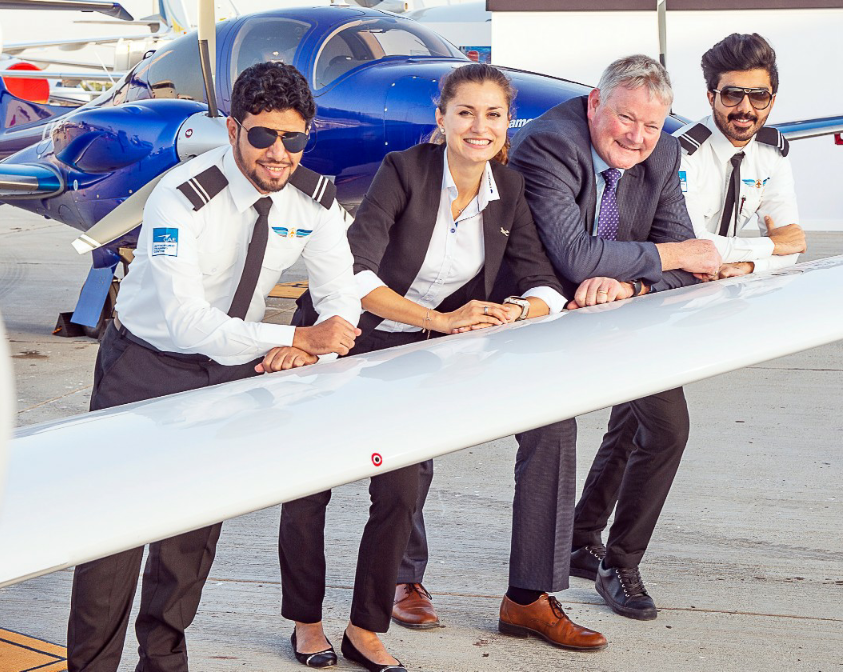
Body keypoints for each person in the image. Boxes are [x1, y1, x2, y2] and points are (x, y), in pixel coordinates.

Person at [280, 64, 608, 672]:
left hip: (417, 355)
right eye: (466, 112)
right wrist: (443, 320)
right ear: (442, 119)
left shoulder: (509, 189)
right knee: (309, 486)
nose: (479, 126)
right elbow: (354, 275)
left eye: (493, 115)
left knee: (400, 489)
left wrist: (514, 310)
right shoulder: (403, 171)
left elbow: (543, 282)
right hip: (347, 337)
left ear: (507, 124)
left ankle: (364, 629)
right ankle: (306, 623)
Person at [65, 62, 362, 672]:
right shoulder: (181, 197)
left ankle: (164, 662)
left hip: (227, 374)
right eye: (263, 135)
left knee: (192, 535)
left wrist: (312, 345)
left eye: (294, 138)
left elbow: (342, 298)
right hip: (144, 368)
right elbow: (186, 321)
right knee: (112, 536)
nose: (279, 153)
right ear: (233, 130)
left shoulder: (315, 201)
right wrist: (294, 334)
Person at [508, 55, 722, 622]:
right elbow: (576, 257)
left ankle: (611, 557)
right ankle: (564, 556)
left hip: (619, 305)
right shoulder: (550, 144)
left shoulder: (664, 152)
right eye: (626, 118)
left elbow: (691, 268)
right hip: (547, 310)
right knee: (564, 431)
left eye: (651, 124)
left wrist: (631, 285)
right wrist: (668, 256)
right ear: (595, 103)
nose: (637, 136)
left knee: (662, 426)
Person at [676, 33, 806, 279]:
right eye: (732, 94)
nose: (745, 108)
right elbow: (692, 246)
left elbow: (793, 245)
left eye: (759, 96)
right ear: (711, 97)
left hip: (724, 280)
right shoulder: (681, 153)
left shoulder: (772, 154)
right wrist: (773, 245)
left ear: (772, 101)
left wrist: (748, 266)